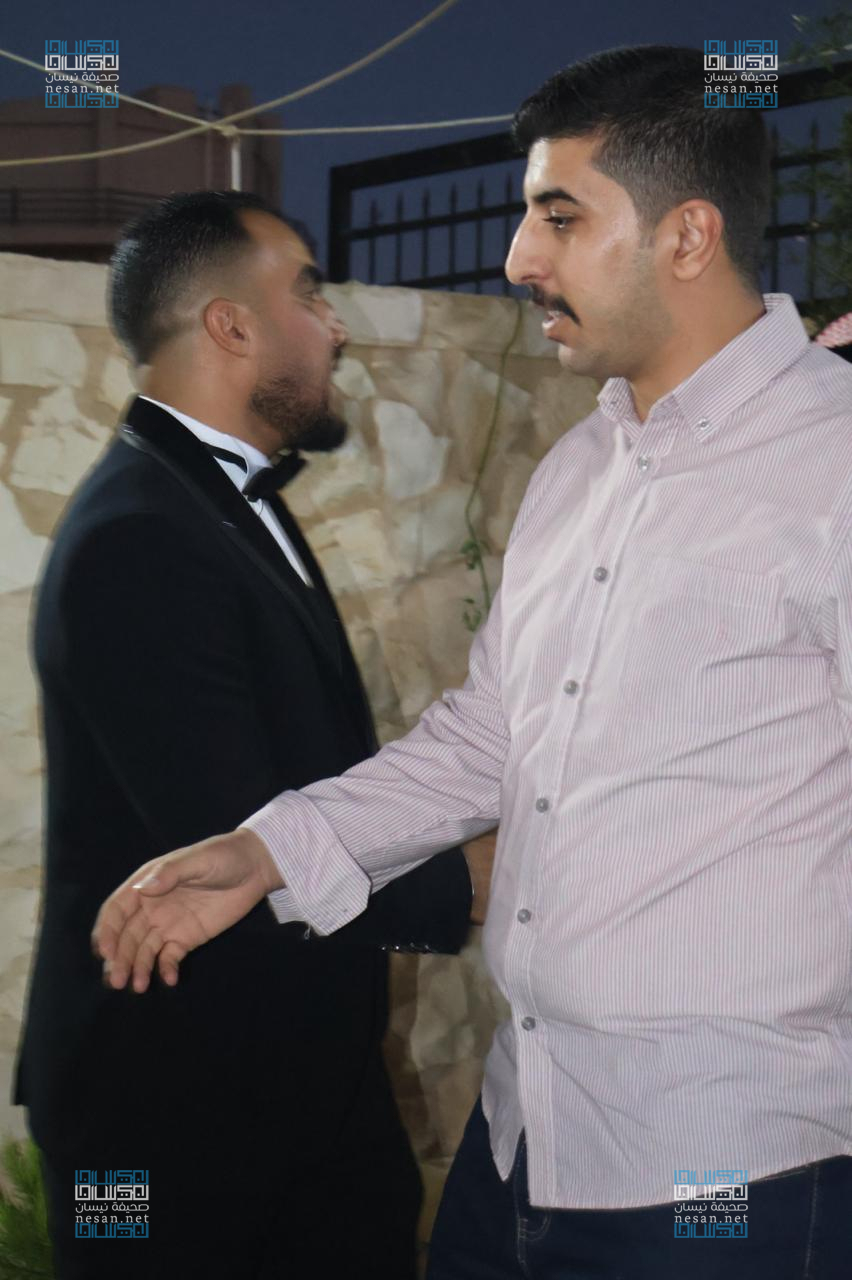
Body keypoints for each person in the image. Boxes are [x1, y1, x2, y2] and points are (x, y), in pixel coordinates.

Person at [93, 47, 852, 1279]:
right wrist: (268, 847)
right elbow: (487, 735)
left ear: (688, 234)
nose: (516, 258)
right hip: (519, 1145)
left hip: (731, 1181)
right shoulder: (580, 468)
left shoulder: (833, 462)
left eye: (561, 216)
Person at [15, 190, 496, 1280]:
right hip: (172, 1119)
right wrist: (478, 879)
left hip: (287, 1087)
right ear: (230, 326)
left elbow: (299, 805)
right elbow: (236, 844)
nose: (336, 326)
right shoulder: (141, 537)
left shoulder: (211, 501)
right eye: (310, 295)